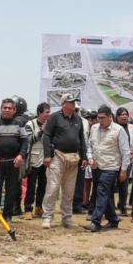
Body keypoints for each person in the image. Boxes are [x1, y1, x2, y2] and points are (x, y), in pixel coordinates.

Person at [40, 94, 87, 228]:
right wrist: (47, 155)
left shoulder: (78, 119)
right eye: (71, 102)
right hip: (57, 156)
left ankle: (66, 218)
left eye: (74, 102)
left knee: (69, 190)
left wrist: (83, 157)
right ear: (64, 103)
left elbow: (81, 139)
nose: (73, 104)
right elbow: (47, 136)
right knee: (53, 188)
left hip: (73, 158)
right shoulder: (54, 117)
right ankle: (47, 217)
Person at [0, 98, 32, 224]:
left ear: (14, 110)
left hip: (13, 162)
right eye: (4, 107)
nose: (7, 110)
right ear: (0, 109)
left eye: (10, 108)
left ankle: (7, 216)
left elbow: (25, 142)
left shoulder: (19, 124)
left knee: (11, 190)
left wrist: (21, 156)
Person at [84, 107, 130, 231]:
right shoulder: (94, 128)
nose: (100, 120)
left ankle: (96, 221)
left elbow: (126, 152)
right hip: (96, 166)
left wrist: (124, 170)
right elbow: (89, 145)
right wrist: (89, 157)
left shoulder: (118, 130)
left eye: (103, 118)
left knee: (101, 191)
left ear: (110, 117)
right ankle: (113, 220)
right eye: (99, 117)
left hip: (111, 167)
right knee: (107, 194)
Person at [25, 101, 51, 217]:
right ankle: (27, 209)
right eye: (46, 112)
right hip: (33, 159)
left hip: (45, 159)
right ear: (39, 113)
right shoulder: (30, 124)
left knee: (43, 185)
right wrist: (42, 131)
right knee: (31, 186)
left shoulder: (50, 124)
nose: (48, 115)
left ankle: (39, 207)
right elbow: (29, 140)